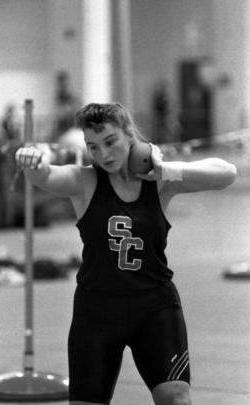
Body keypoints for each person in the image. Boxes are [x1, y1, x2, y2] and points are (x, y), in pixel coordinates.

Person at [15, 102, 237, 405]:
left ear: (129, 134)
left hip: (155, 307)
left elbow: (226, 173)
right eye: (93, 147)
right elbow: (44, 176)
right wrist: (33, 161)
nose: (103, 155)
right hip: (96, 311)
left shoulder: (159, 181)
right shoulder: (85, 181)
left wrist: (167, 170)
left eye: (110, 142)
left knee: (176, 399)